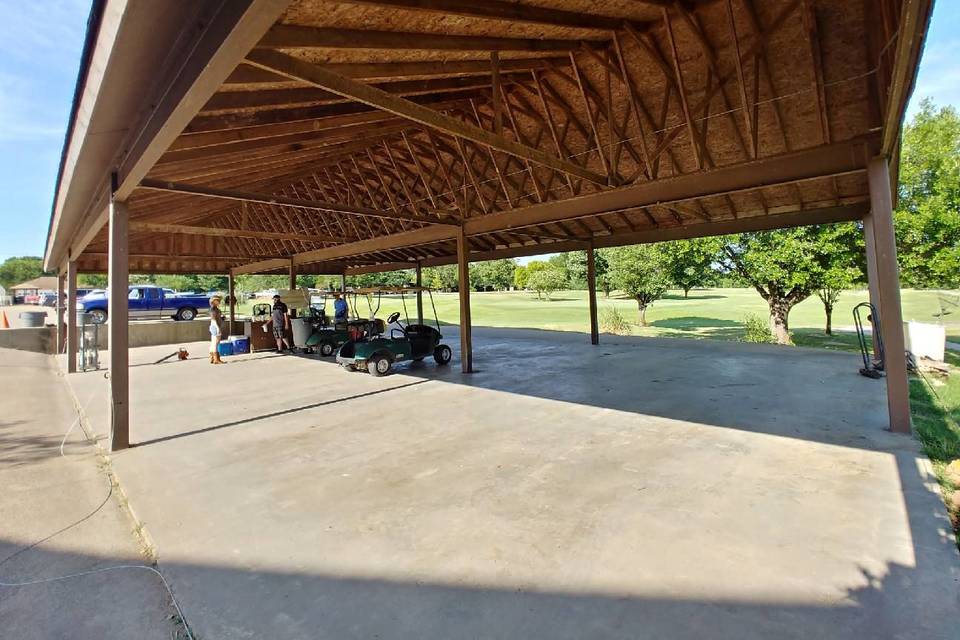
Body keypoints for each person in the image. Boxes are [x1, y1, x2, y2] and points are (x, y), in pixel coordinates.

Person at [209, 296, 224, 364]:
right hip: (215, 326)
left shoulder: (215, 309)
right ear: (213, 301)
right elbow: (214, 320)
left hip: (214, 326)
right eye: (217, 300)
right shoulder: (213, 309)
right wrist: (218, 328)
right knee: (216, 343)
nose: (218, 301)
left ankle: (212, 357)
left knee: (213, 342)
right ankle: (216, 359)